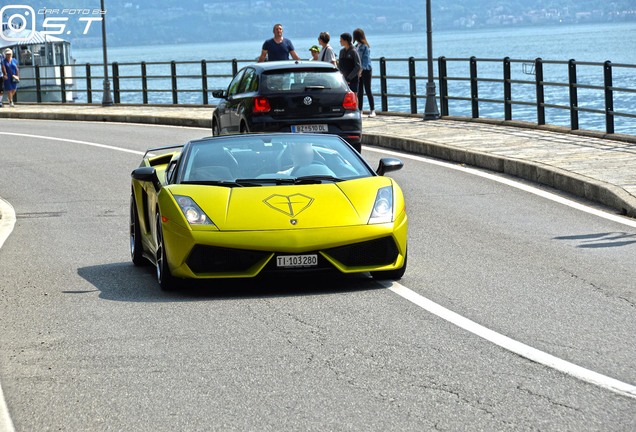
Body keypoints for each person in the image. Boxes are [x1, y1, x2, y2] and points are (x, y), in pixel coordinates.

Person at [353, 28, 376, 117]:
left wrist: (361, 70)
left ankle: (372, 110)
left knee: (368, 89)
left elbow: (365, 59)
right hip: (359, 71)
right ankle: (360, 109)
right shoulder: (356, 46)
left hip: (366, 70)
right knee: (360, 91)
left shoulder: (365, 47)